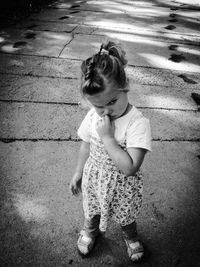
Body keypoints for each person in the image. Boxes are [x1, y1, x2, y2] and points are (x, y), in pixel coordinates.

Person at [69, 41, 151, 262]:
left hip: (122, 186)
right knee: (92, 210)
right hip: (94, 179)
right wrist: (78, 172)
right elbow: (86, 143)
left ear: (126, 86)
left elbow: (130, 167)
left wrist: (108, 138)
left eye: (113, 101)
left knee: (126, 216)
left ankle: (130, 237)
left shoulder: (137, 123)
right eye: (98, 106)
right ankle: (90, 231)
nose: (106, 111)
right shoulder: (94, 116)